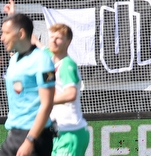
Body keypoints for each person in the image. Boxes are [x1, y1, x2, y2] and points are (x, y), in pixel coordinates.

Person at [1, 13, 56, 156]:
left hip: (34, 137)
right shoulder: (14, 60)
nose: (2, 38)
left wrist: (30, 141)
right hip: (13, 135)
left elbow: (47, 104)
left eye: (6, 33)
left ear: (21, 33)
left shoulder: (42, 60)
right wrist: (12, 15)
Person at [46, 24, 88, 156]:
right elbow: (32, 42)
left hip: (70, 132)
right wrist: (13, 16)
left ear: (68, 42)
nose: (53, 40)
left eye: (58, 38)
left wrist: (45, 101)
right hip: (60, 132)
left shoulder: (66, 64)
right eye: (52, 36)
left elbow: (71, 94)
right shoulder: (51, 62)